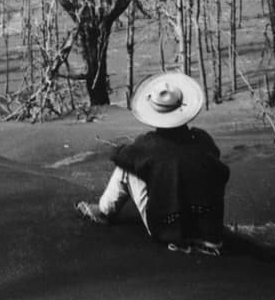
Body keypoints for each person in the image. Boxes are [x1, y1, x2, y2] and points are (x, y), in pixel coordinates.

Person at [76, 71, 229, 255]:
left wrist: (136, 156)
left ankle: (104, 211)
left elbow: (120, 156)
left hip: (169, 229)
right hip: (210, 229)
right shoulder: (203, 139)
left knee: (126, 169)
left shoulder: (149, 144)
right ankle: (200, 232)